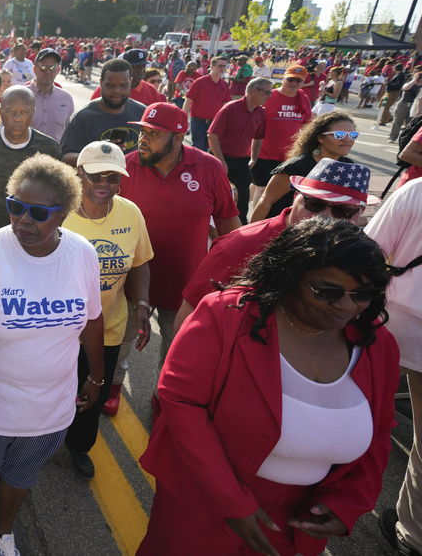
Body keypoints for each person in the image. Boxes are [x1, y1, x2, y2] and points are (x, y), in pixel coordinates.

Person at [139, 218, 399, 556]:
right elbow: (180, 399)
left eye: (363, 294)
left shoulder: (378, 344)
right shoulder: (226, 315)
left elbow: (380, 431)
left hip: (297, 521)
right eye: (327, 292)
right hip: (201, 502)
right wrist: (230, 500)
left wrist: (346, 504)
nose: (347, 307)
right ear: (289, 277)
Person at [0, 153, 104, 556]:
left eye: (37, 212)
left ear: (64, 215)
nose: (22, 221)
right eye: (16, 207)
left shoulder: (83, 254)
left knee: (21, 474)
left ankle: (1, 530)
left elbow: (92, 322)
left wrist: (97, 377)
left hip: (51, 410)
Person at [176, 157, 379, 330]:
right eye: (315, 204)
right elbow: (191, 312)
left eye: (342, 211)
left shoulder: (361, 256)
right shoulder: (241, 243)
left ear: (360, 215)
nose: (325, 217)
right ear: (295, 198)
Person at [118, 102, 240, 388]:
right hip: (131, 280)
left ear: (177, 137)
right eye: (143, 131)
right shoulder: (126, 165)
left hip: (185, 283)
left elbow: (228, 226)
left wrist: (232, 274)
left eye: (154, 134)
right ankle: (112, 385)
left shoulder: (209, 168)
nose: (144, 139)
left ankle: (163, 398)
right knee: (120, 340)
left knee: (175, 349)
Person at [62, 141, 152, 469]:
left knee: (93, 393)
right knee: (55, 391)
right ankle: (41, 441)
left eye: (113, 177)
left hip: (108, 328)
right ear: (79, 174)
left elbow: (140, 262)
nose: (104, 184)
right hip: (60, 330)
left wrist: (141, 302)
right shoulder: (60, 212)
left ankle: (79, 445)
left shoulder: (130, 212)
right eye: (96, 176)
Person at [368, 179, 422, 556]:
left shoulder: (416, 190)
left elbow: (370, 252)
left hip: (395, 320)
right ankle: (413, 533)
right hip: (400, 322)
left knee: (356, 401)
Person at [0, 85, 63, 236]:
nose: (17, 118)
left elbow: (59, 197)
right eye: (11, 111)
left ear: (33, 112)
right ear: (0, 111)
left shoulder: (49, 149)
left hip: (35, 236)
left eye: (24, 112)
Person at [251, 111, 358, 222]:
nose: (347, 139)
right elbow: (266, 201)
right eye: (339, 135)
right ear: (320, 138)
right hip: (284, 229)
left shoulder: (350, 167)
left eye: (352, 135)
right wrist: (252, 235)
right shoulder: (296, 167)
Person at [207, 77, 271, 224]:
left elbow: (259, 137)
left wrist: (254, 158)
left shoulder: (260, 112)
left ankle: (239, 231)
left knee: (242, 199)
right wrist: (221, 160)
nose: (269, 97)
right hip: (218, 158)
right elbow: (212, 135)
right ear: (254, 91)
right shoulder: (230, 108)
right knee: (212, 196)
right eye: (267, 93)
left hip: (241, 161)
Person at [60, 58, 147, 164]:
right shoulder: (81, 118)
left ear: (131, 82)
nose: (117, 91)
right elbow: (64, 158)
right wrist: (98, 153)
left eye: (123, 85)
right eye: (111, 85)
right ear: (101, 83)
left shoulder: (142, 114)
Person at [250, 65, 313, 207]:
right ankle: (255, 223)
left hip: (289, 155)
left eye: (299, 80)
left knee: (259, 186)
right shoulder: (268, 96)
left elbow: (307, 125)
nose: (294, 83)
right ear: (283, 78)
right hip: (264, 152)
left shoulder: (303, 99)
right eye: (290, 79)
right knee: (262, 188)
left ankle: (236, 206)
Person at [183, 56, 231, 152]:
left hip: (214, 123)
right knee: (197, 149)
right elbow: (188, 100)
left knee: (210, 150)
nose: (222, 69)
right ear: (212, 67)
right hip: (198, 122)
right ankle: (194, 167)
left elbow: (226, 105)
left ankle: (204, 167)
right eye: (220, 66)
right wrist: (183, 118)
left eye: (224, 66)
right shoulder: (200, 82)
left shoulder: (224, 85)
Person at [25, 48, 74, 142]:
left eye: (52, 68)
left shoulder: (66, 99)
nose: (48, 72)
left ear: (58, 70)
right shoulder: (21, 96)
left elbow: (72, 134)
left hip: (56, 155)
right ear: (35, 69)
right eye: (43, 68)